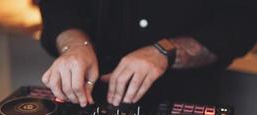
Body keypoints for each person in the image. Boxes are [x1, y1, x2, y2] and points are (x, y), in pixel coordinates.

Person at [39, 0, 257, 107]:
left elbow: (242, 22)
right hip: (86, 100)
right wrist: (75, 44)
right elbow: (58, 6)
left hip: (184, 106)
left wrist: (165, 51)